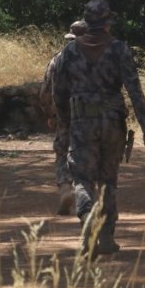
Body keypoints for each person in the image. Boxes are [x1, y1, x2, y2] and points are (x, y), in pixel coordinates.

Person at [52, 0, 145, 256]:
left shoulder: (69, 52)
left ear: (86, 23)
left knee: (83, 178)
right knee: (108, 180)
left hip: (81, 124)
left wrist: (64, 122)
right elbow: (134, 90)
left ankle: (87, 215)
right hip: (112, 123)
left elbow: (59, 92)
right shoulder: (119, 49)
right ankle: (107, 238)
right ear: (107, 23)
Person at [40, 20, 87, 215]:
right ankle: (85, 192)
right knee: (86, 153)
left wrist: (49, 113)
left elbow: (45, 91)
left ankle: (66, 188)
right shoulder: (96, 59)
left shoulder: (56, 60)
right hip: (89, 116)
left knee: (61, 152)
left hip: (63, 114)